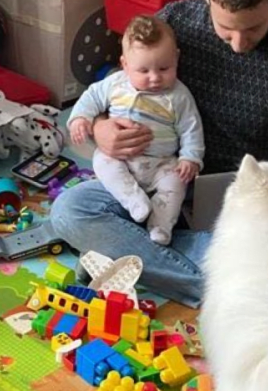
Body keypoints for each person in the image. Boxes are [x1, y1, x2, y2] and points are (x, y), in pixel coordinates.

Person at [51, 0, 268, 308]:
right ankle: (220, 291)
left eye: (253, 28)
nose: (239, 44)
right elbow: (124, 80)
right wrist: (99, 127)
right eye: (226, 29)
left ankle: (121, 254)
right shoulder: (176, 22)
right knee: (70, 209)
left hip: (234, 203)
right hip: (149, 177)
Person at [68, 15, 204, 245]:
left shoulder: (179, 96)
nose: (154, 78)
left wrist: (190, 158)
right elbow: (90, 97)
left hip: (162, 163)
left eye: (164, 68)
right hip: (122, 161)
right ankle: (134, 201)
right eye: (143, 71)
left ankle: (161, 225)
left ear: (176, 58)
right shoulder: (115, 84)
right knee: (102, 163)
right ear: (125, 65)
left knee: (175, 186)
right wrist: (81, 119)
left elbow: (191, 128)